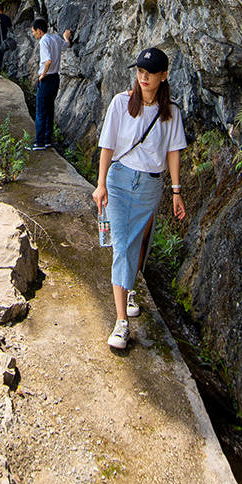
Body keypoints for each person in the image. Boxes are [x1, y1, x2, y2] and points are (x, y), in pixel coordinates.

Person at [90, 47, 187, 351]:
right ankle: (121, 323)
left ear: (163, 76)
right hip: (119, 181)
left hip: (150, 186)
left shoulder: (170, 111)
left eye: (150, 73)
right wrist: (100, 183)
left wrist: (176, 191)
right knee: (122, 245)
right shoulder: (121, 103)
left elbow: (173, 152)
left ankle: (129, 288)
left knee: (138, 241)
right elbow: (107, 145)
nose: (143, 78)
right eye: (140, 72)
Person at [28, 18, 65, 149]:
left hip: (47, 78)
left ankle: (39, 142)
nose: (33, 34)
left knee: (40, 111)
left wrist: (42, 74)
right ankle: (47, 139)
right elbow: (66, 45)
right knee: (49, 110)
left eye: (34, 32)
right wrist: (66, 37)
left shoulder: (44, 41)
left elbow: (47, 60)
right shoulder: (55, 38)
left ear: (39, 30)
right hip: (55, 78)